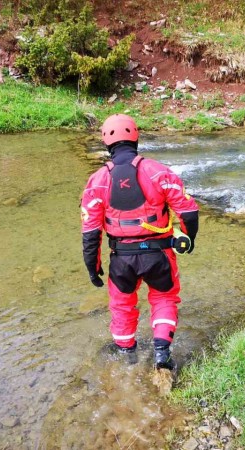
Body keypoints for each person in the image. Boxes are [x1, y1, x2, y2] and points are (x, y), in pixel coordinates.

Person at [80, 114, 199, 370]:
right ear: (136, 137)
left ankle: (127, 358)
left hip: (121, 258)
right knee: (164, 298)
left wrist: (93, 266)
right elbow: (188, 210)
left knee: (122, 305)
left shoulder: (96, 181)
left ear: (106, 142)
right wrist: (189, 238)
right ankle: (161, 352)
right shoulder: (159, 171)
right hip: (159, 255)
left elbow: (90, 231)